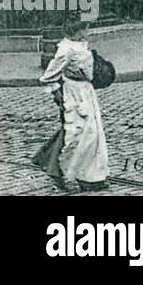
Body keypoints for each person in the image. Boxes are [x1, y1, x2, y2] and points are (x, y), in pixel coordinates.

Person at [33, 18, 110, 192]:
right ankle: (58, 171)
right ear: (77, 30)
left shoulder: (81, 44)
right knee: (76, 134)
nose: (88, 31)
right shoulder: (66, 49)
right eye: (85, 28)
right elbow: (48, 77)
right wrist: (58, 95)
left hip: (86, 92)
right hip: (74, 94)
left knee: (93, 134)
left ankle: (91, 177)